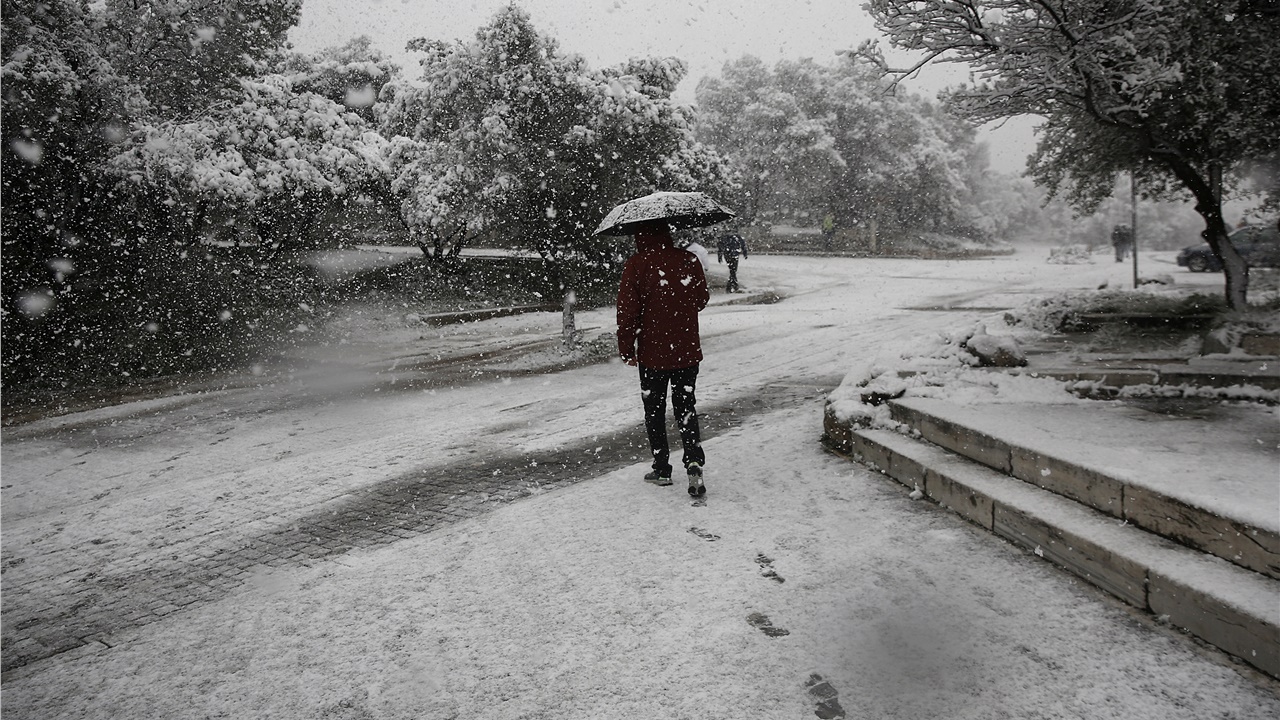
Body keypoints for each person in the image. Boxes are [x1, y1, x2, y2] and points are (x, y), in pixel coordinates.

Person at [617, 221, 710, 496]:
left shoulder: (637, 265)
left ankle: (661, 468)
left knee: (654, 410)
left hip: (652, 354)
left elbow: (627, 312)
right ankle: (693, 461)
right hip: (686, 350)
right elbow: (701, 299)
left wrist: (626, 348)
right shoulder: (689, 260)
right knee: (686, 406)